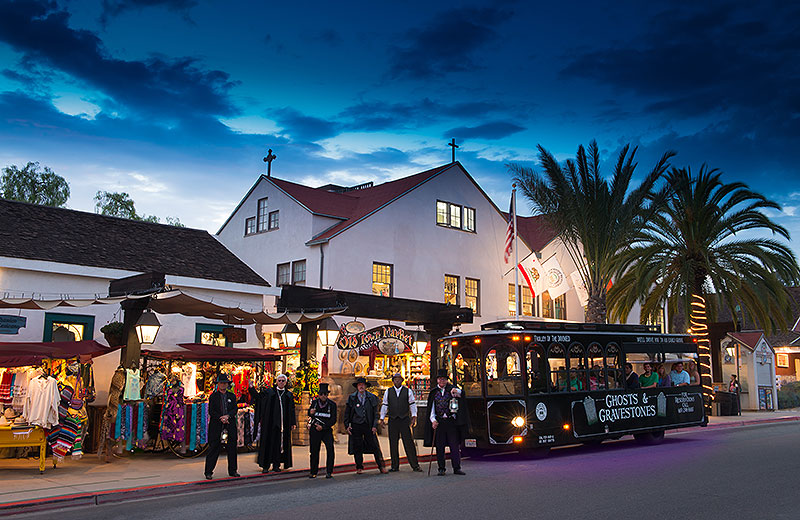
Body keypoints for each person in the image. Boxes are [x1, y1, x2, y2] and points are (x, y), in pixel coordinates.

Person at [424, 369, 468, 476]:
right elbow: (432, 409)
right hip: (440, 422)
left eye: (444, 379)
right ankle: (441, 468)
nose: (442, 381)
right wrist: (433, 420)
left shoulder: (452, 389)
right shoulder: (434, 392)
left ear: (446, 380)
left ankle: (456, 468)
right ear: (437, 380)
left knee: (454, 446)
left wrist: (457, 392)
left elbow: (463, 394)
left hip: (451, 422)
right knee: (440, 446)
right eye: (440, 379)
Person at [253, 373, 296, 472]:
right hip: (270, 424)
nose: (281, 382)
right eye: (279, 380)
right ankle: (265, 466)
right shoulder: (270, 392)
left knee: (279, 446)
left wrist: (293, 422)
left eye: (283, 381)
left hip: (282, 425)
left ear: (285, 382)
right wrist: (251, 388)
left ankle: (277, 465)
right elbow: (258, 398)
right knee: (268, 444)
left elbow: (292, 410)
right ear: (276, 381)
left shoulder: (288, 395)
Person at [380, 373, 422, 472]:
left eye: (399, 379)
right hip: (393, 419)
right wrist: (381, 418)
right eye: (395, 379)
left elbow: (412, 404)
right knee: (393, 443)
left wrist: (414, 416)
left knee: (408, 442)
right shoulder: (388, 391)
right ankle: (395, 466)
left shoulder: (408, 391)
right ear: (393, 381)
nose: (397, 381)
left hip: (404, 419)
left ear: (402, 381)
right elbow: (385, 405)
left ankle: (415, 465)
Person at [344, 377, 386, 474]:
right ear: (357, 387)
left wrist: (375, 425)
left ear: (365, 386)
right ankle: (359, 467)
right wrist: (347, 425)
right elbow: (347, 413)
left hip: (368, 424)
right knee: (357, 446)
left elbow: (376, 413)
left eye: (363, 385)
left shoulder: (372, 397)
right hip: (356, 424)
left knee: (375, 446)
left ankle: (381, 466)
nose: (361, 386)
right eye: (359, 385)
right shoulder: (352, 398)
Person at [204, 374, 239, 479]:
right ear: (218, 384)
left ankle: (233, 470)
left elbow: (235, 409)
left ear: (227, 384)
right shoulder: (213, 396)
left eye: (225, 383)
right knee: (214, 447)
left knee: (232, 447)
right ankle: (208, 471)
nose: (223, 385)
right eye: (221, 383)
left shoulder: (232, 396)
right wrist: (221, 417)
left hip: (229, 423)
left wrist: (228, 416)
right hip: (217, 424)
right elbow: (211, 411)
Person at [308, 383, 337, 479]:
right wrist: (310, 413)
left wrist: (323, 427)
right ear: (319, 395)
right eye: (321, 394)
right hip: (315, 430)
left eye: (325, 394)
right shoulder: (315, 403)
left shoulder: (332, 405)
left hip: (326, 430)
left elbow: (333, 419)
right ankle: (313, 471)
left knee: (330, 449)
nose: (323, 396)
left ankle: (329, 471)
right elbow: (310, 414)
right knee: (314, 451)